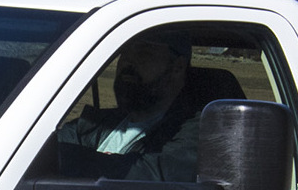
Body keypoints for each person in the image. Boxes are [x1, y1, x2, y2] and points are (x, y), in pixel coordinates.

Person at [54, 33, 206, 181]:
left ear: (178, 67)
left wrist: (76, 160)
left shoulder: (199, 132)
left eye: (143, 52)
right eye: (124, 51)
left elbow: (159, 174)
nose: (128, 61)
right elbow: (47, 150)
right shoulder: (95, 123)